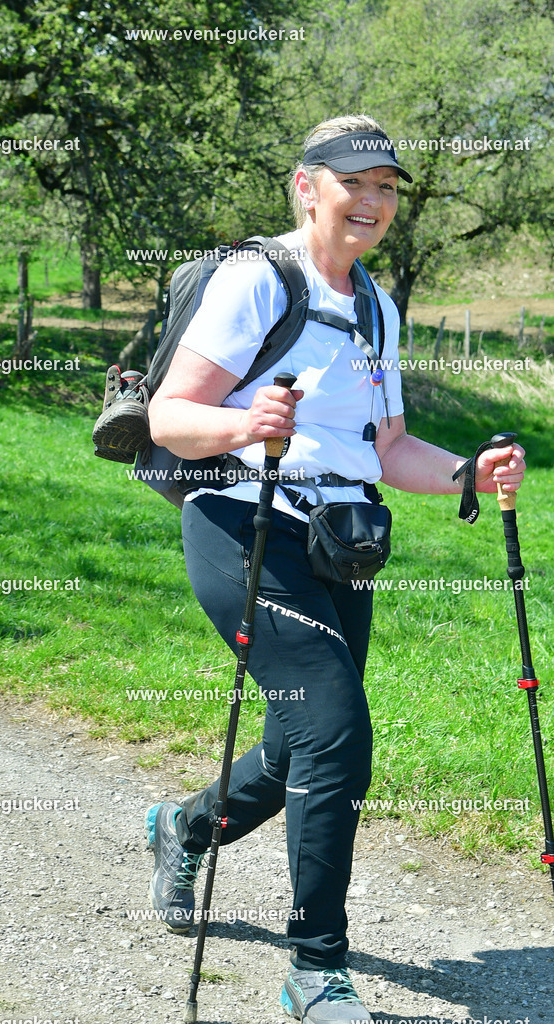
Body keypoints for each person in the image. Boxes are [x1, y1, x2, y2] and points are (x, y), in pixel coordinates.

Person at [143, 114, 526, 1024]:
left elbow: (387, 449)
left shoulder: (377, 306)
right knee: (335, 733)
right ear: (305, 186)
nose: (371, 201)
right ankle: (315, 968)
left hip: (341, 539)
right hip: (244, 522)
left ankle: (183, 826)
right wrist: (245, 424)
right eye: (353, 182)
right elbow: (170, 418)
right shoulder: (256, 279)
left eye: (385, 187)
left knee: (296, 745)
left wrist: (468, 473)